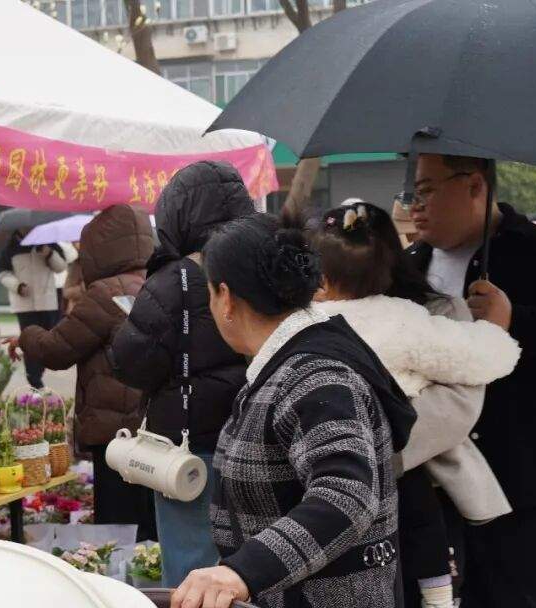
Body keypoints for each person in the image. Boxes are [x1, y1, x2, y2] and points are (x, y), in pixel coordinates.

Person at [173, 213, 416, 608]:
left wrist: (242, 571)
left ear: (226, 297)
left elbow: (347, 494)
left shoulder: (316, 376)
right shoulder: (287, 365)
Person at [405, 154, 536, 607]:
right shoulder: (410, 266)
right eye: (413, 193)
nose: (416, 206)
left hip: (527, 489)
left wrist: (515, 320)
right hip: (435, 495)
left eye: (428, 190)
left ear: (475, 185)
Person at [311, 202, 520, 608]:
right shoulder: (397, 320)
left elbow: (457, 410)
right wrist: (495, 335)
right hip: (346, 488)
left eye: (426, 191)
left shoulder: (432, 312)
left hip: (401, 472)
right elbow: (481, 356)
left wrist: (360, 450)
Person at [111, 160, 253, 587]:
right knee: (251, 566)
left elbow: (129, 363)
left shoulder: (175, 280)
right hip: (258, 440)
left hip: (193, 449)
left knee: (192, 568)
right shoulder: (262, 267)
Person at [5, 205, 157, 541]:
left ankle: (120, 590)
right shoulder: (155, 285)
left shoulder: (103, 294)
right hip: (154, 429)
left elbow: (57, 349)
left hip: (113, 433)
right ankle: (156, 589)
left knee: (119, 530)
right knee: (149, 523)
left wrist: (27, 336)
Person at [0, 230, 68, 389]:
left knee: (45, 340)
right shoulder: (11, 248)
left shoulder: (48, 241)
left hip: (47, 302)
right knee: (29, 340)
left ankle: (38, 374)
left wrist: (49, 253)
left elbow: (61, 267)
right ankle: (34, 378)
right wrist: (17, 286)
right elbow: (2, 273)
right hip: (24, 304)